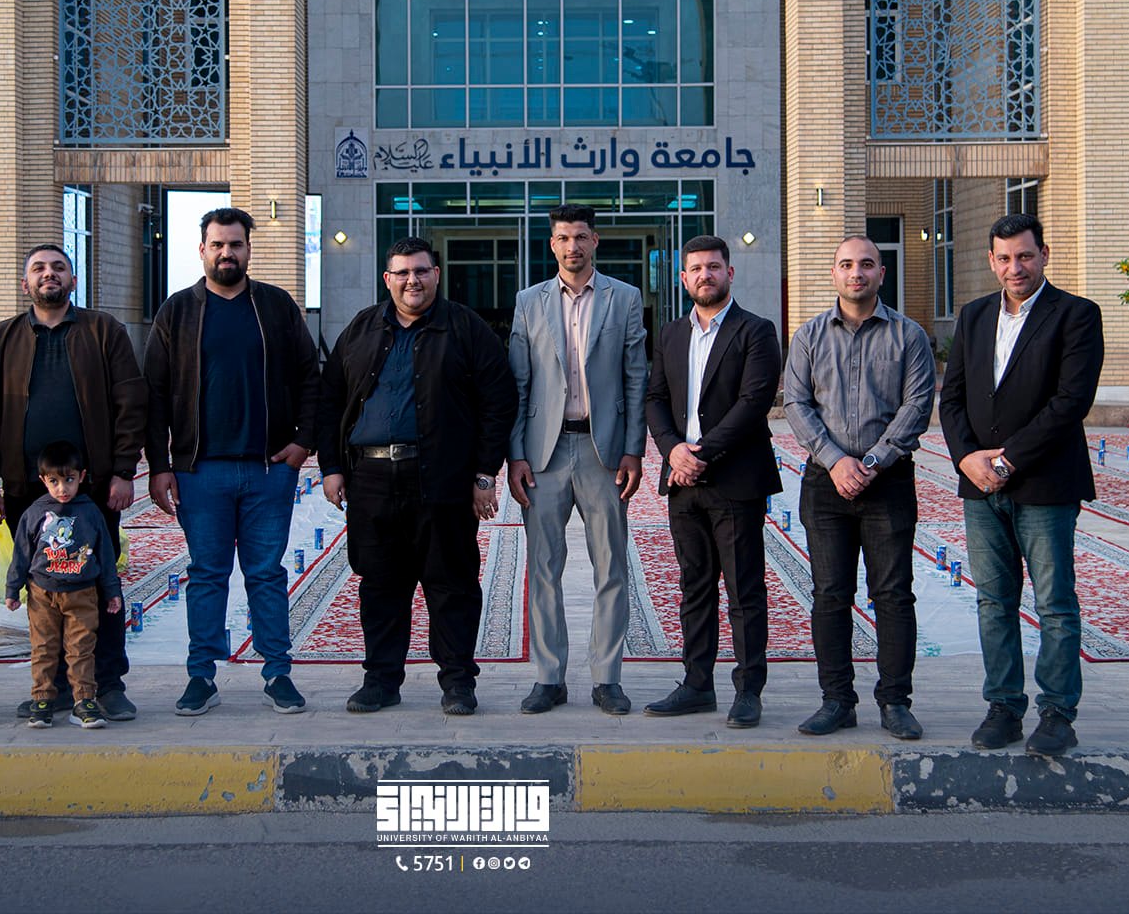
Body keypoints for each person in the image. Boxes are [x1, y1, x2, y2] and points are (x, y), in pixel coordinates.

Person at [318, 236, 518, 716]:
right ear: (387, 278)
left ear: (436, 274)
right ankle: (381, 681)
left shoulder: (465, 328)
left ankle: (458, 683)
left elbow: (498, 401)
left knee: (452, 585)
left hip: (443, 478)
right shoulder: (362, 328)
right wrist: (331, 467)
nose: (413, 280)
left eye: (422, 271)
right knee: (380, 585)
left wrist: (485, 474)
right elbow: (330, 400)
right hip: (371, 479)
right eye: (403, 272)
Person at [938, 213, 1104, 757]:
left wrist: (1006, 463)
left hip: (1045, 485)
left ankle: (1057, 714)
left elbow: (1070, 403)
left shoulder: (1076, 315)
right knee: (994, 601)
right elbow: (952, 398)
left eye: (1026, 256)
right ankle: (1004, 707)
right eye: (1005, 258)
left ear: (1044, 255)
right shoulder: (974, 315)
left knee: (1054, 603)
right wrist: (967, 459)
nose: (1016, 267)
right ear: (991, 261)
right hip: (980, 488)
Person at [144, 207, 321, 716]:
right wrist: (159, 465)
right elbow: (153, 394)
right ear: (202, 250)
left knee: (266, 573)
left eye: (236, 244)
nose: (227, 253)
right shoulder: (178, 311)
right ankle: (201, 675)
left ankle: (277, 672)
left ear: (248, 249)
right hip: (200, 472)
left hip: (268, 470)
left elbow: (310, 378)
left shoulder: (275, 306)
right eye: (218, 245)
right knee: (207, 574)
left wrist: (303, 444)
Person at [0, 243, 149, 721]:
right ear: (25, 282)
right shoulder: (3, 338)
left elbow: (131, 403)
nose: (49, 274)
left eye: (58, 267)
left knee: (99, 586)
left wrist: (124, 471)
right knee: (43, 591)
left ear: (73, 279)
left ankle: (107, 685)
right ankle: (55, 688)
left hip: (92, 491)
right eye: (39, 268)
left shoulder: (103, 331)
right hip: (26, 493)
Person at [782, 236, 936, 741]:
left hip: (887, 482)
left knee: (893, 595)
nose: (856, 273)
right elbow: (796, 404)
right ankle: (837, 700)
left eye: (866, 264)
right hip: (824, 485)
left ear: (881, 273)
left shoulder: (909, 336)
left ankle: (895, 701)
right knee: (830, 594)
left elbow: (917, 406)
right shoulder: (808, 336)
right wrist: (835, 461)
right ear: (834, 273)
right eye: (846, 265)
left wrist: (870, 462)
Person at [506, 204, 647, 716]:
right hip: (543, 454)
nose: (572, 246)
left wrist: (633, 449)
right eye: (563, 238)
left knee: (611, 567)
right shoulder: (529, 301)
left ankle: (607, 678)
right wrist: (515, 454)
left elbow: (636, 378)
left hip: (602, 451)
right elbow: (518, 384)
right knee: (543, 568)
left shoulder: (624, 298)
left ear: (595, 241)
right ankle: (549, 678)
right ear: (552, 244)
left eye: (581, 236)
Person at [643, 235, 782, 729]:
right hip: (683, 483)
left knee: (745, 590)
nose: (706, 275)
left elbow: (753, 403)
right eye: (696, 269)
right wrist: (672, 450)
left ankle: (748, 690)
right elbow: (655, 398)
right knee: (694, 587)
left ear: (730, 273)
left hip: (736, 481)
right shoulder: (671, 334)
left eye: (714, 267)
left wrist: (698, 455)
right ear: (683, 279)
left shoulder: (756, 331)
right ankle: (697, 684)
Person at [6, 442, 122, 729]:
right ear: (43, 480)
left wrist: (112, 591)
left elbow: (106, 554)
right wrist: (13, 588)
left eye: (69, 480)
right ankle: (43, 698)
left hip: (82, 593)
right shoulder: (35, 512)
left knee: (81, 648)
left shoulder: (90, 512)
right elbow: (21, 553)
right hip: (42, 594)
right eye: (54, 481)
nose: (62, 488)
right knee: (43, 648)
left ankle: (84, 700)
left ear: (81, 476)